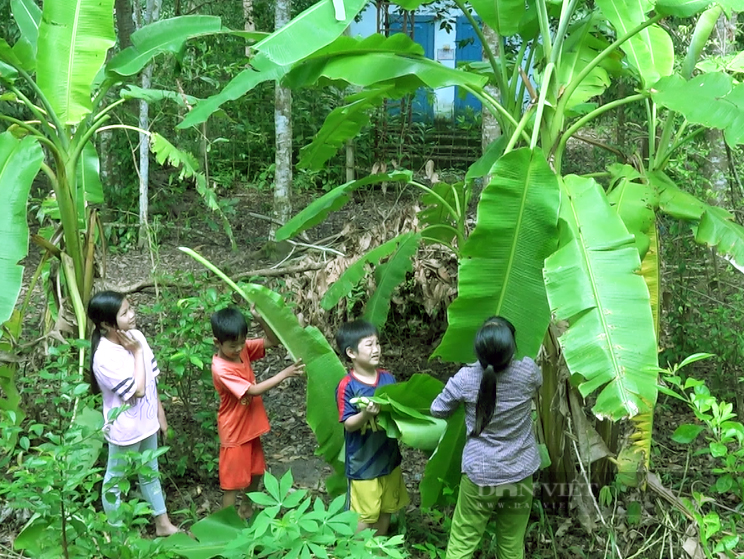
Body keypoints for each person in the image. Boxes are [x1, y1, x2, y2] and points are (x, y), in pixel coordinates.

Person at [430, 316, 542, 559]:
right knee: (512, 545)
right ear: (511, 349)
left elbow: (437, 409)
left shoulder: (465, 379)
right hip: (520, 472)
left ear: (478, 350)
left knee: (462, 543)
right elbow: (537, 383)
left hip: (481, 474)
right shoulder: (528, 372)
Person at [88, 290, 179, 536]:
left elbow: (151, 382)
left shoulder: (136, 335)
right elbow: (137, 391)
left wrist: (160, 415)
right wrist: (137, 352)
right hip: (125, 430)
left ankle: (163, 524)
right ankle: (118, 535)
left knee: (150, 473)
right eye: (125, 313)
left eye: (130, 308)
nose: (132, 314)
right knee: (114, 482)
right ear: (106, 324)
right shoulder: (105, 358)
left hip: (146, 422)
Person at [210, 305, 305, 518]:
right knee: (232, 483)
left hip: (250, 425)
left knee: (256, 471)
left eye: (242, 342)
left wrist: (260, 319)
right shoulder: (221, 368)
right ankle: (227, 522)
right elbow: (251, 390)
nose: (239, 348)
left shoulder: (241, 348)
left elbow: (272, 341)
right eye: (233, 345)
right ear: (217, 342)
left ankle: (246, 508)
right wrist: (284, 374)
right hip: (234, 430)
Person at [335, 319, 410, 535]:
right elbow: (349, 424)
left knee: (386, 507)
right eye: (369, 345)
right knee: (364, 515)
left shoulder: (387, 378)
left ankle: (379, 551)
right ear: (351, 352)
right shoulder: (348, 386)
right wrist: (365, 413)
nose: (376, 349)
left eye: (377, 343)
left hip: (389, 458)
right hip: (363, 464)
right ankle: (360, 552)